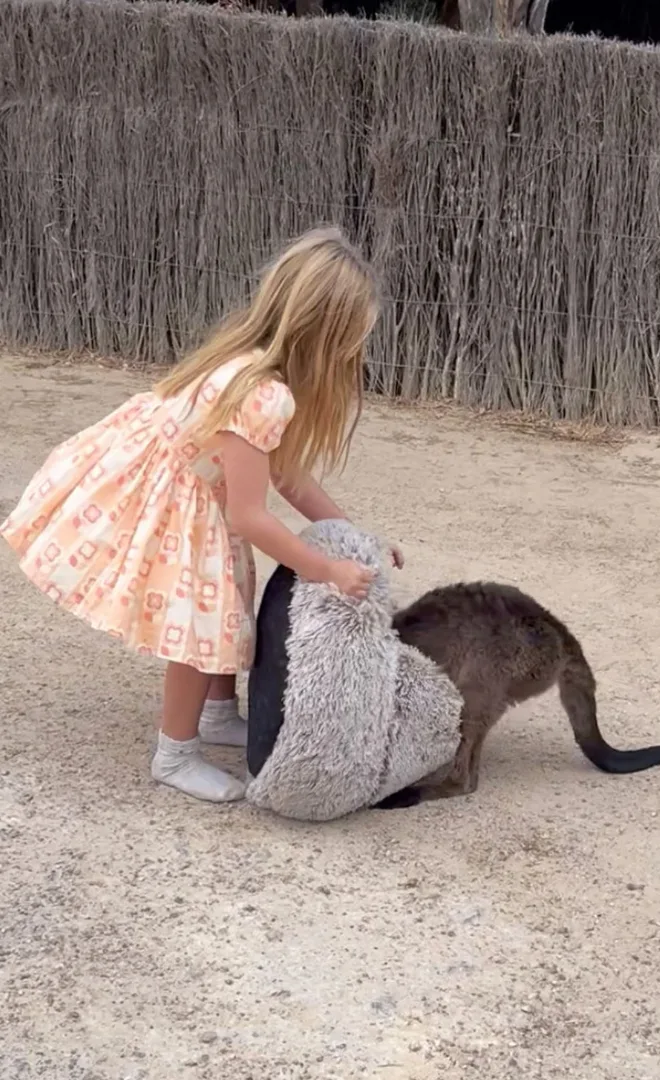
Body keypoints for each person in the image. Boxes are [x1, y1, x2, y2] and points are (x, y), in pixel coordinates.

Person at [3, 227, 400, 803]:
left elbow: (284, 474)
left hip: (177, 484)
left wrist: (348, 538)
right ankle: (175, 752)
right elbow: (248, 516)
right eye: (352, 337)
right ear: (324, 332)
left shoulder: (246, 359)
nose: (355, 352)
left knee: (226, 601)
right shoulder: (265, 394)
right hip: (176, 498)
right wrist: (327, 568)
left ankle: (216, 715)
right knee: (197, 623)